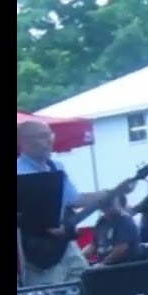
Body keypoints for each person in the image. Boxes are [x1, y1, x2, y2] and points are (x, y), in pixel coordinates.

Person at [17, 120, 132, 285]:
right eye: (41, 137)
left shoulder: (56, 167)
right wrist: (42, 227)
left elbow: (75, 200)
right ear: (24, 142)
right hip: (39, 250)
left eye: (50, 135)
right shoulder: (19, 172)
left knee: (86, 286)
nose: (49, 140)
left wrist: (112, 192)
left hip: (65, 245)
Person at [82, 194, 141, 266]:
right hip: (104, 266)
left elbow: (121, 249)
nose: (106, 207)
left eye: (109, 204)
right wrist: (79, 258)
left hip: (122, 267)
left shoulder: (125, 221)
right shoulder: (101, 222)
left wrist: (102, 264)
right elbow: (93, 246)